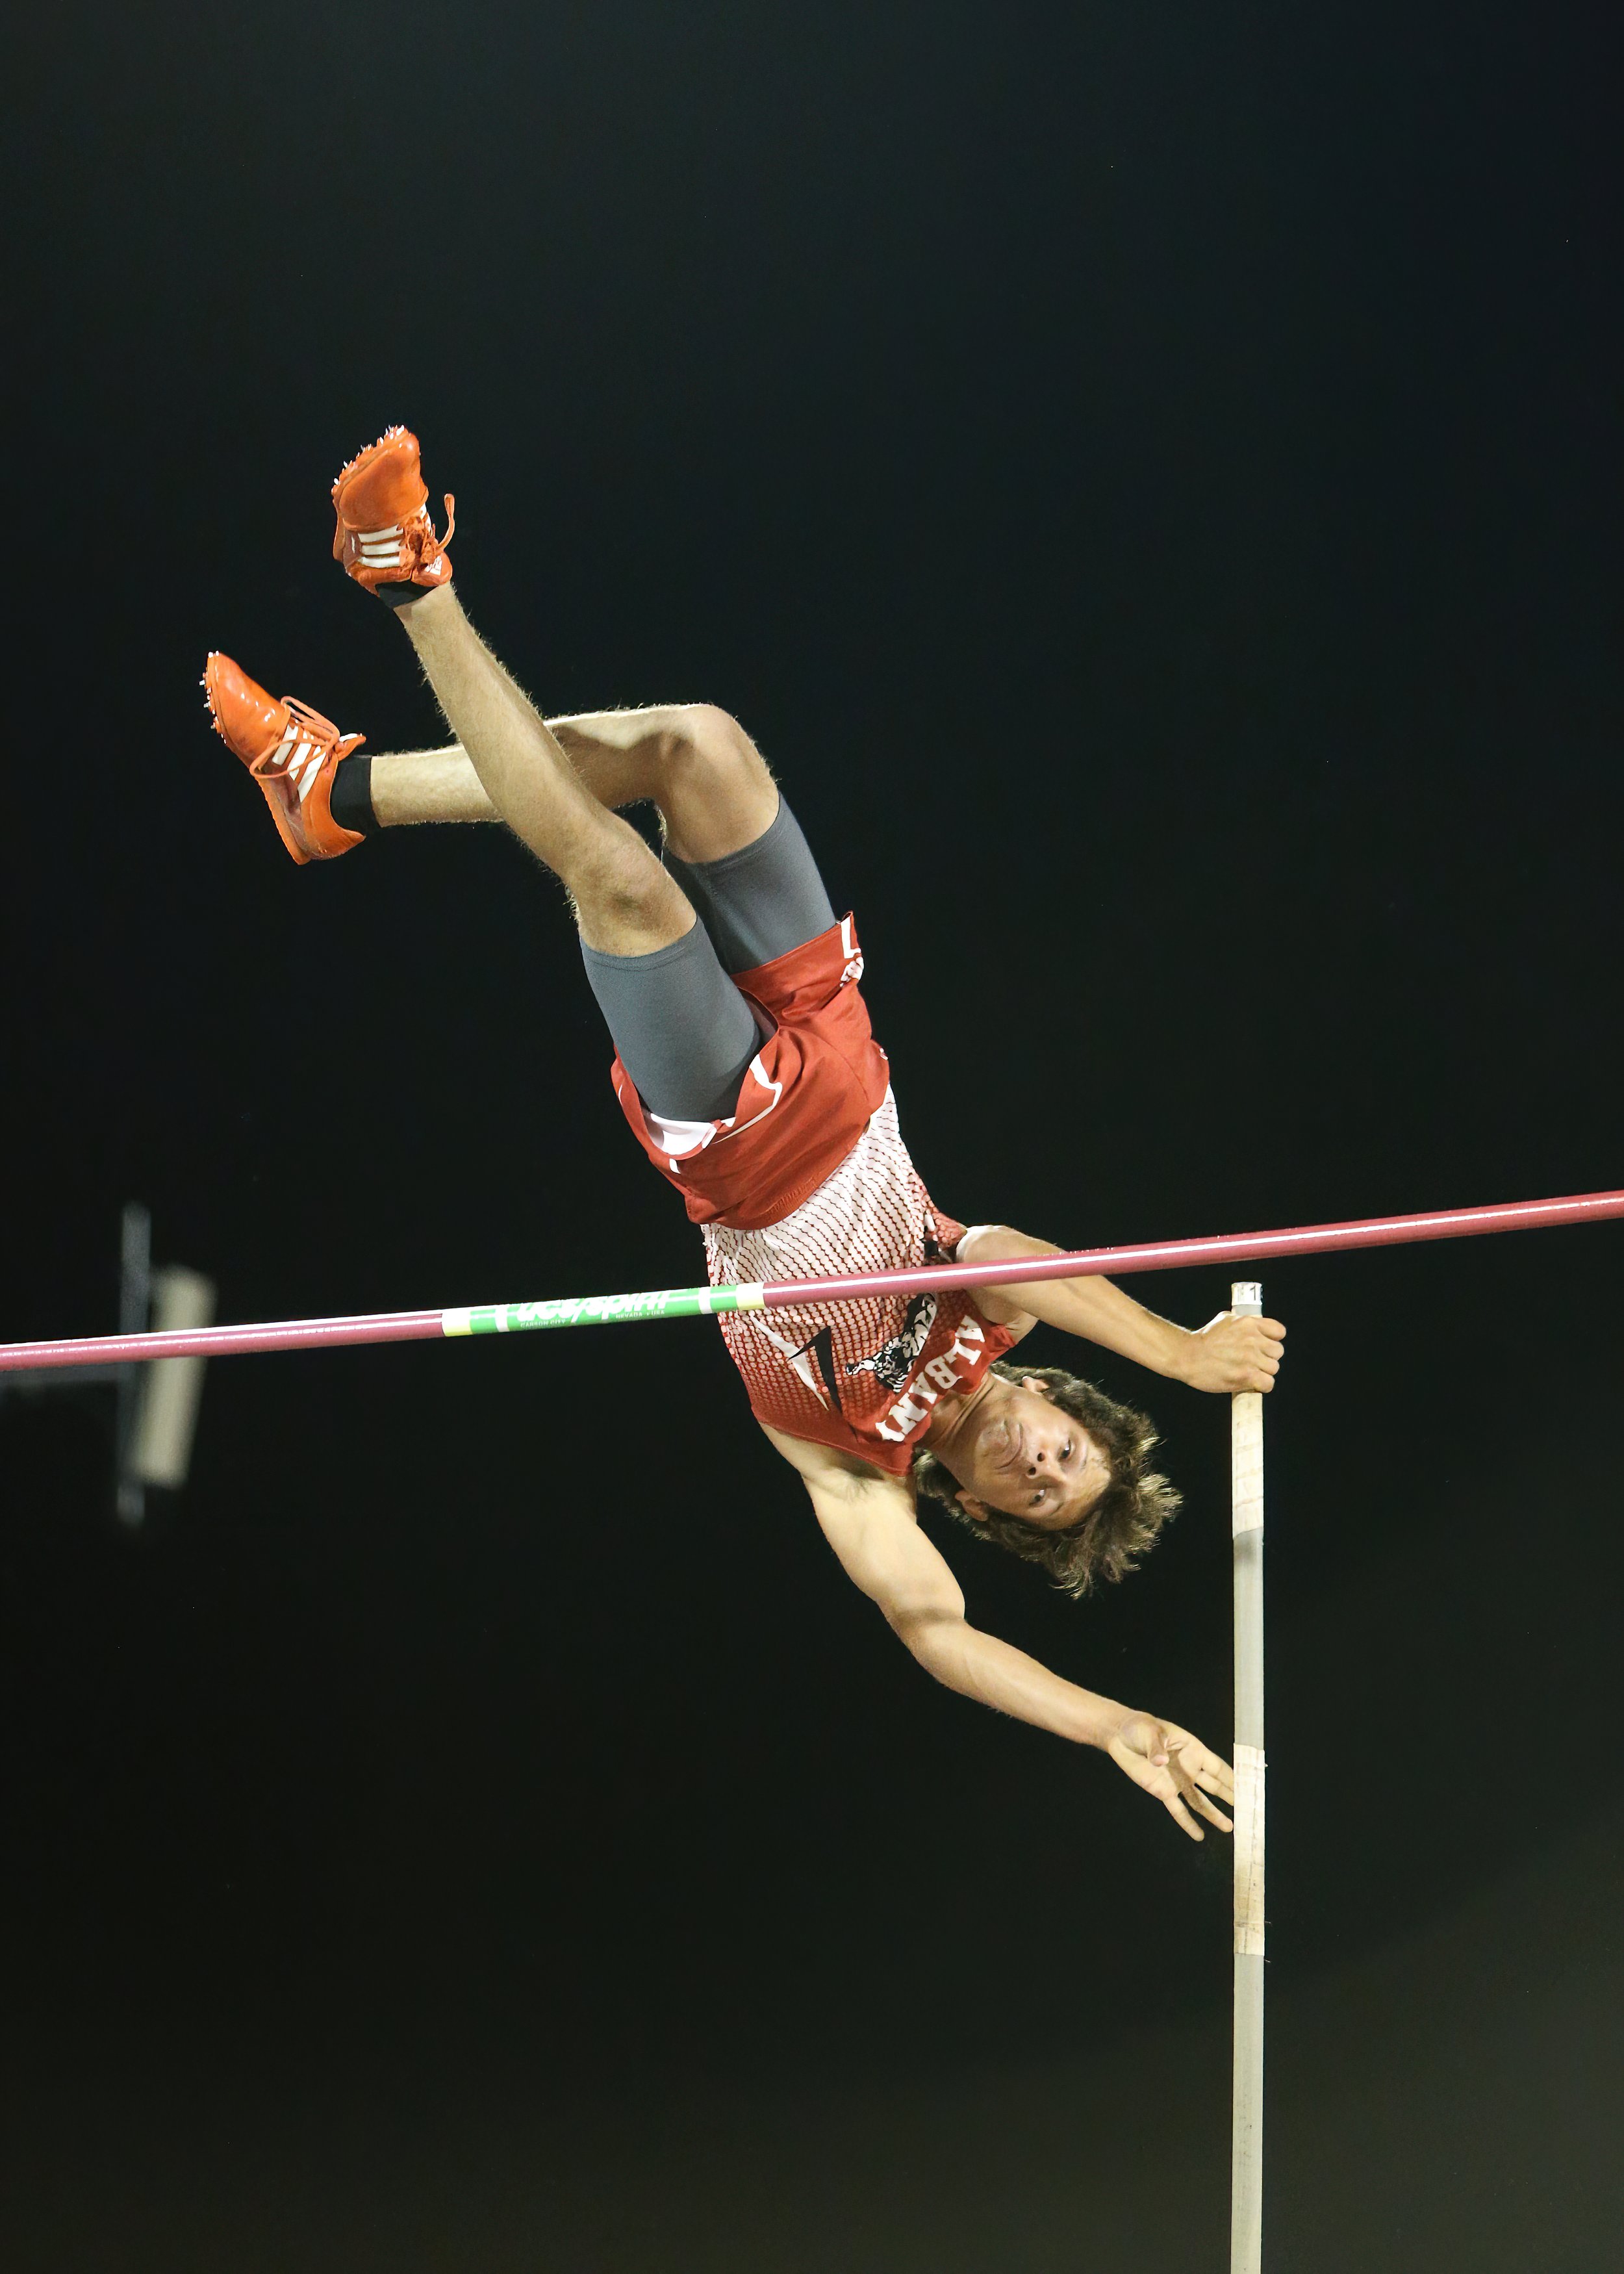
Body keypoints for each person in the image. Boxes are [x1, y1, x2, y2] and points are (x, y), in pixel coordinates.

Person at [204, 426, 1286, 1844]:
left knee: (625, 885)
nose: (1039, 1465)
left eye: (1038, 1497)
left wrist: (1112, 1724)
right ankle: (332, 795)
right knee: (692, 743)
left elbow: (932, 1633)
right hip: (832, 1028)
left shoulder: (855, 1467)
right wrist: (1180, 1358)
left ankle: (411, 584)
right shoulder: (993, 1307)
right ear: (1064, 1411)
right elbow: (1026, 1261)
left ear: (988, 1515)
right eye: (1067, 1455)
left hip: (736, 1137)